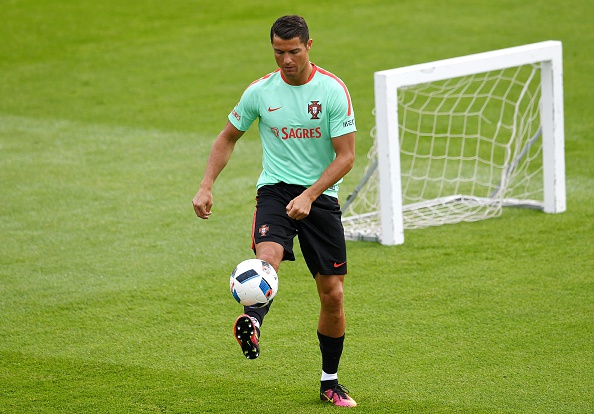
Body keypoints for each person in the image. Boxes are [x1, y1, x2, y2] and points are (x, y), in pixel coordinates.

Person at [192, 15, 357, 408]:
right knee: (267, 257)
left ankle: (329, 382)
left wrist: (312, 195)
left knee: (332, 295)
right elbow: (228, 137)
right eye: (279, 52)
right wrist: (205, 185)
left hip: (321, 196)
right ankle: (253, 323)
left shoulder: (332, 91)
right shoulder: (260, 92)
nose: (286, 60)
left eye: (294, 51)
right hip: (276, 191)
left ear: (309, 46)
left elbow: (346, 157)